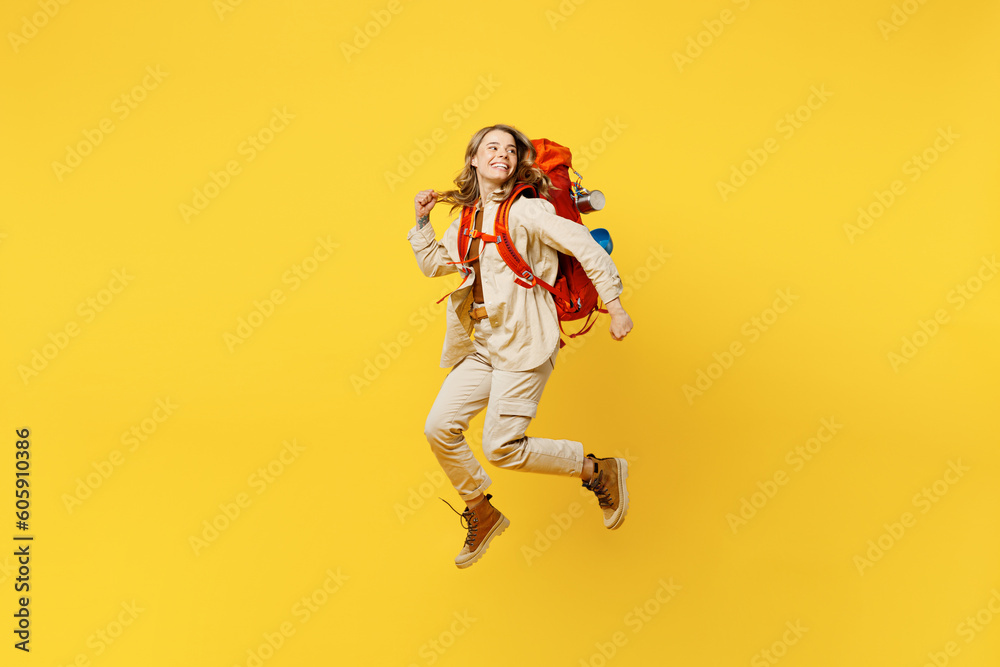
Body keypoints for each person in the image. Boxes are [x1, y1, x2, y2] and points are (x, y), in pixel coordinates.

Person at [407, 123, 634, 569]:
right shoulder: (468, 219)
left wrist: (615, 303)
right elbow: (436, 265)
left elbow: (585, 246)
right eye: (492, 148)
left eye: (510, 150)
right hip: (484, 346)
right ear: (473, 159)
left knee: (501, 447)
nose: (502, 155)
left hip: (526, 344)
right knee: (439, 428)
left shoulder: (526, 212)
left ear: (516, 164)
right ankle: (482, 510)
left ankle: (598, 469)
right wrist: (420, 223)